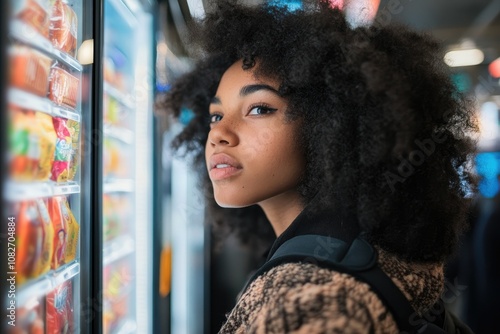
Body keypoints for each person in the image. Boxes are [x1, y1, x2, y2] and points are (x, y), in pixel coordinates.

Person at [157, 0, 478, 332]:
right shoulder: (361, 251)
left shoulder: (309, 306)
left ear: (330, 126)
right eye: (215, 115)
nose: (219, 134)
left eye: (259, 109)